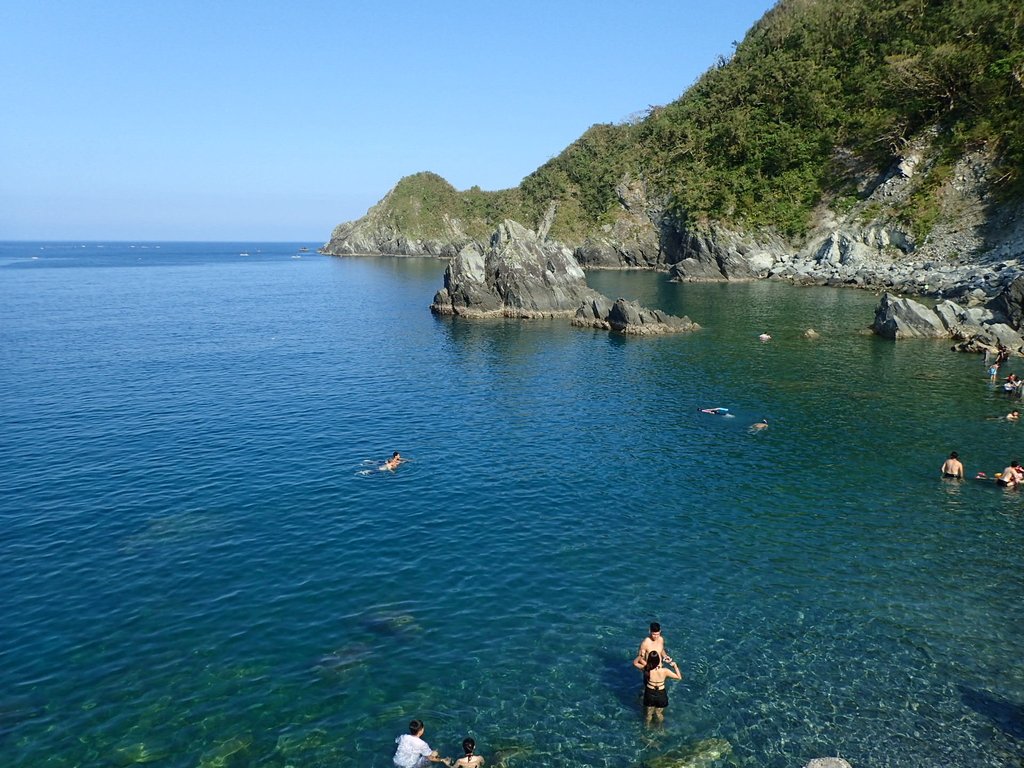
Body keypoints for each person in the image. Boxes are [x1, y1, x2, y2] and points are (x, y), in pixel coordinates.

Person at [641, 651, 682, 724]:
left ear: (649, 660)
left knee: (649, 714)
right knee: (659, 713)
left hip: (649, 693)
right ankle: (660, 728)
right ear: (658, 660)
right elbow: (679, 677)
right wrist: (674, 666)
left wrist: (641, 655)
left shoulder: (646, 669)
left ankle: (647, 729)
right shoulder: (665, 671)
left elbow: (635, 662)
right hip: (661, 693)